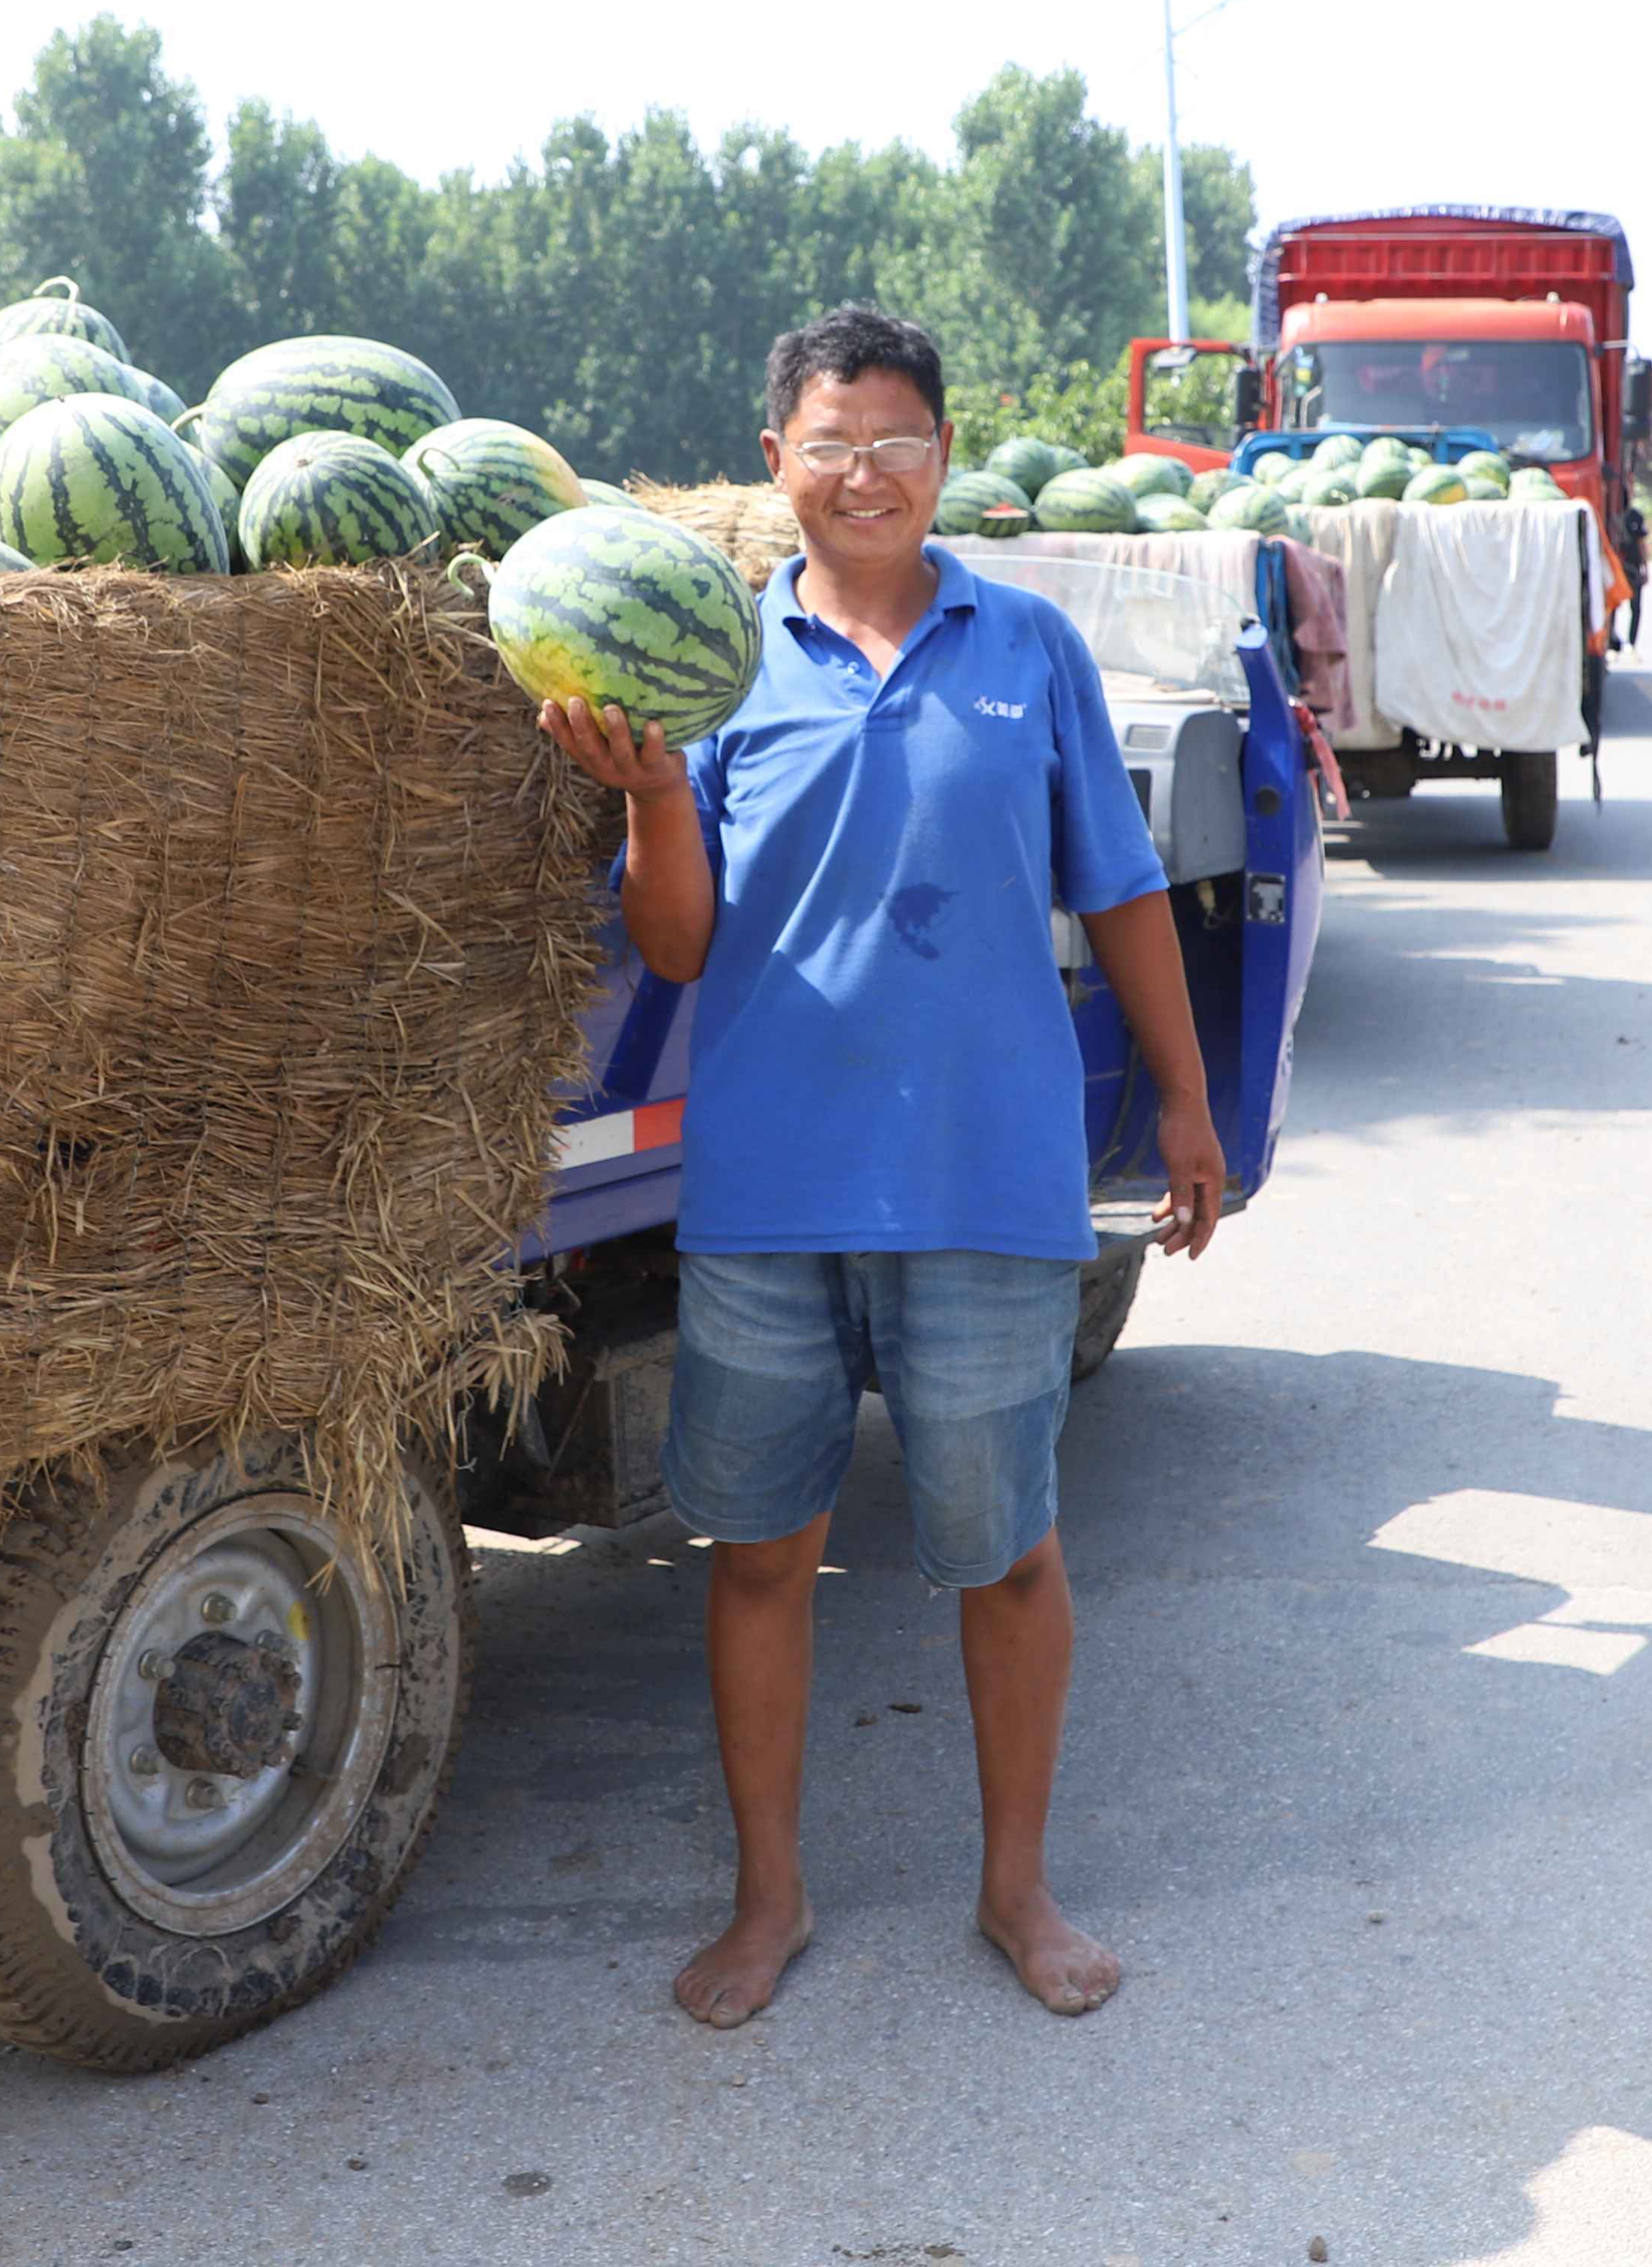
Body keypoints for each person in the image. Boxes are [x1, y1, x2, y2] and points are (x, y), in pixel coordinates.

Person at [540, 303, 1231, 2028]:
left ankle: (1018, 1889)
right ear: (775, 464)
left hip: (992, 1186)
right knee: (763, 1554)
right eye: (831, 442)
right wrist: (647, 800)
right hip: (771, 1191)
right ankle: (768, 1900)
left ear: (944, 453)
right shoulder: (713, 668)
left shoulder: (1033, 649)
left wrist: (1189, 1105)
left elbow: (1124, 889)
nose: (866, 471)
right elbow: (680, 947)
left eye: (897, 440)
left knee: (1008, 1555)